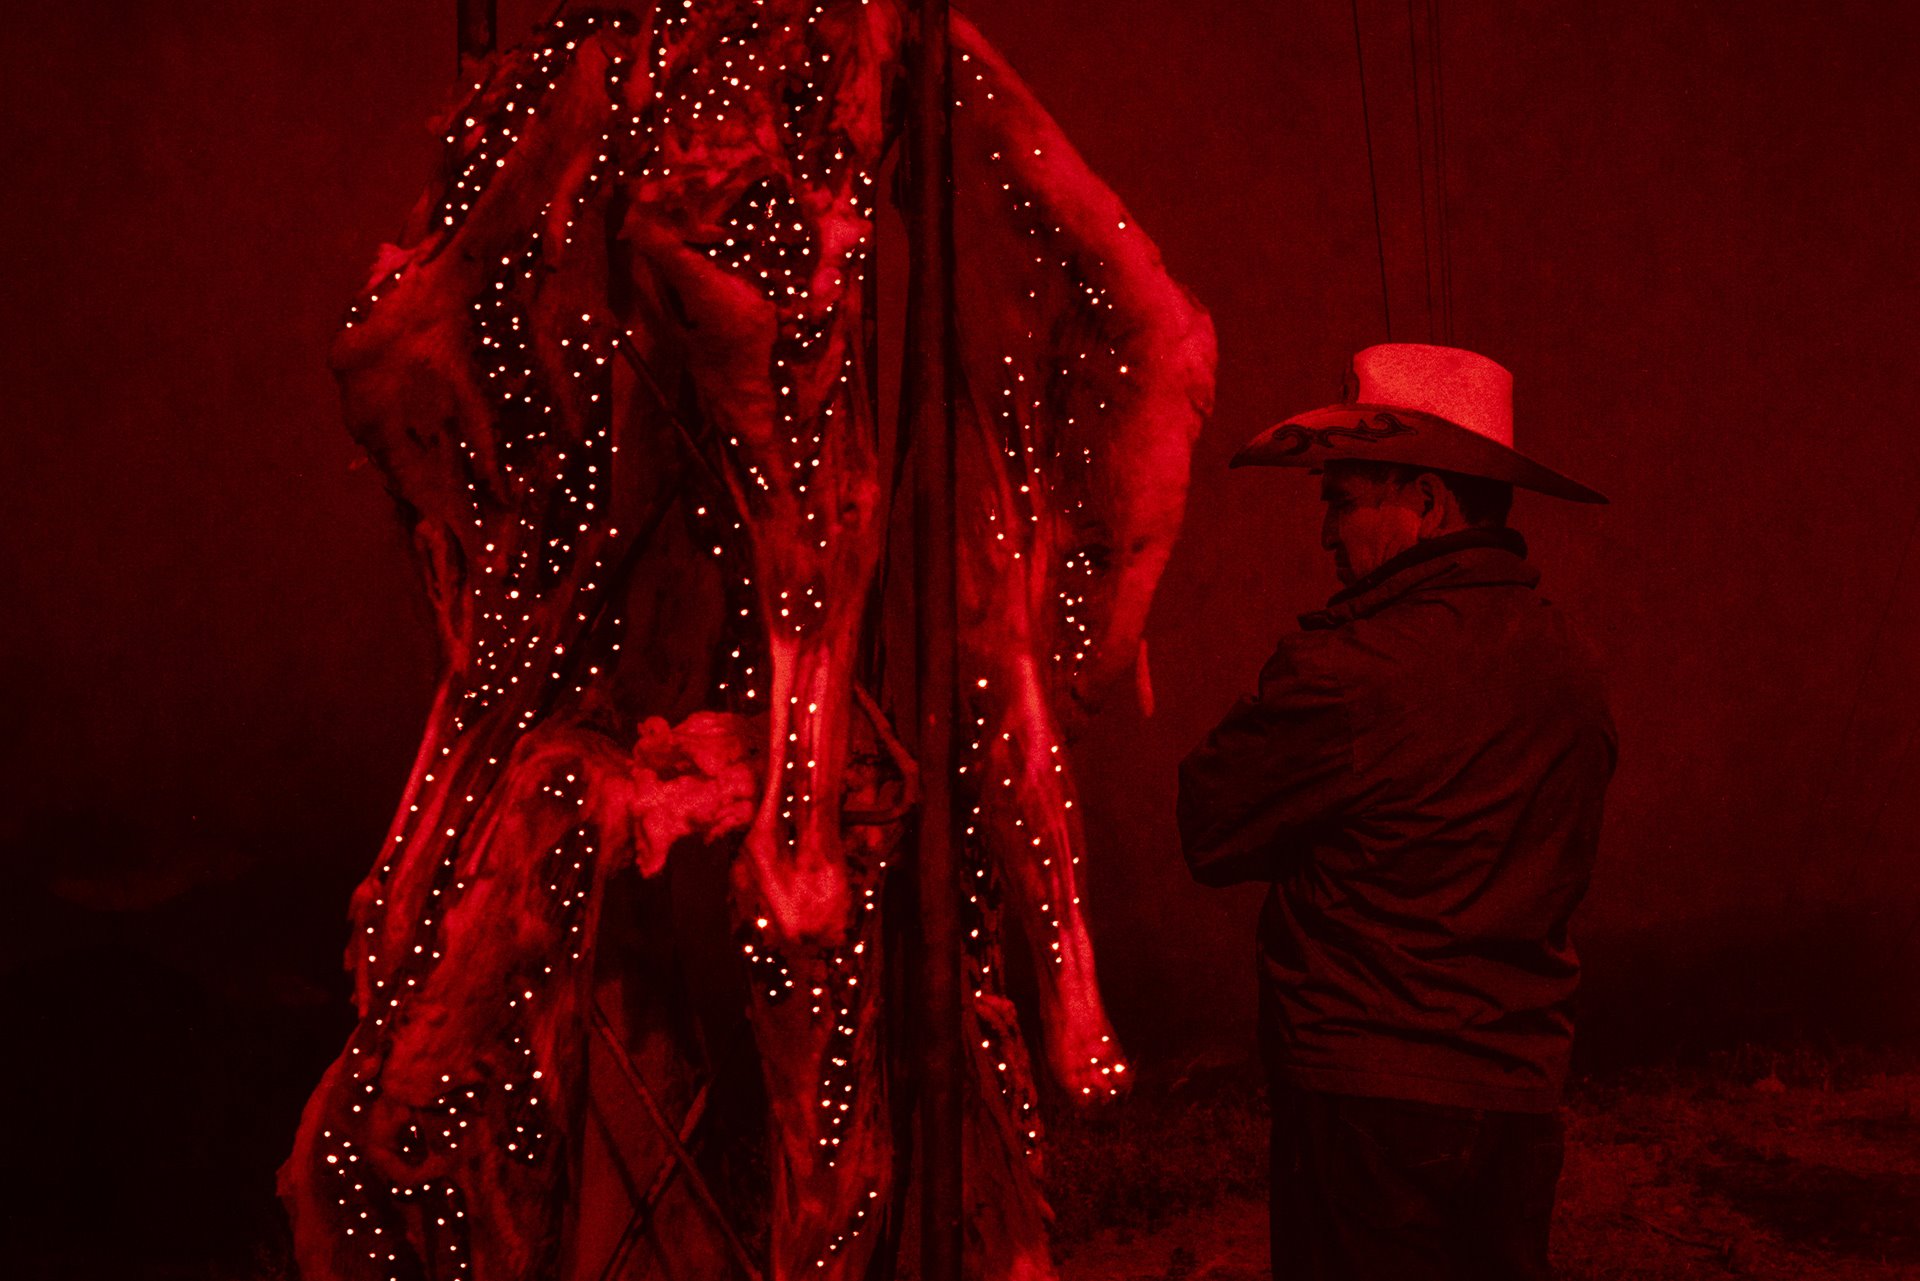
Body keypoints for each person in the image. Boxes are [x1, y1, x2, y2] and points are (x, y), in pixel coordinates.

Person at [1177, 344, 1617, 1280]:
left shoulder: (1352, 671)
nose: (1326, 534)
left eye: (1341, 497)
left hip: (1366, 1101)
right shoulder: (1572, 666)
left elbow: (1208, 825)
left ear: (1424, 501)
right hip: (1520, 1098)